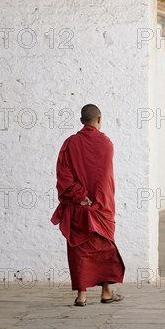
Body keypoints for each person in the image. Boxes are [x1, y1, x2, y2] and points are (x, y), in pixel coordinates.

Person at [51, 104, 125, 306]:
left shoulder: (70, 143)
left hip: (78, 206)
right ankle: (106, 292)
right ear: (99, 119)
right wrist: (96, 202)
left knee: (79, 250)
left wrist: (80, 196)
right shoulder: (106, 143)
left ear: (81, 120)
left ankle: (81, 296)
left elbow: (63, 174)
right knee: (104, 248)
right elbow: (103, 178)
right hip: (102, 206)